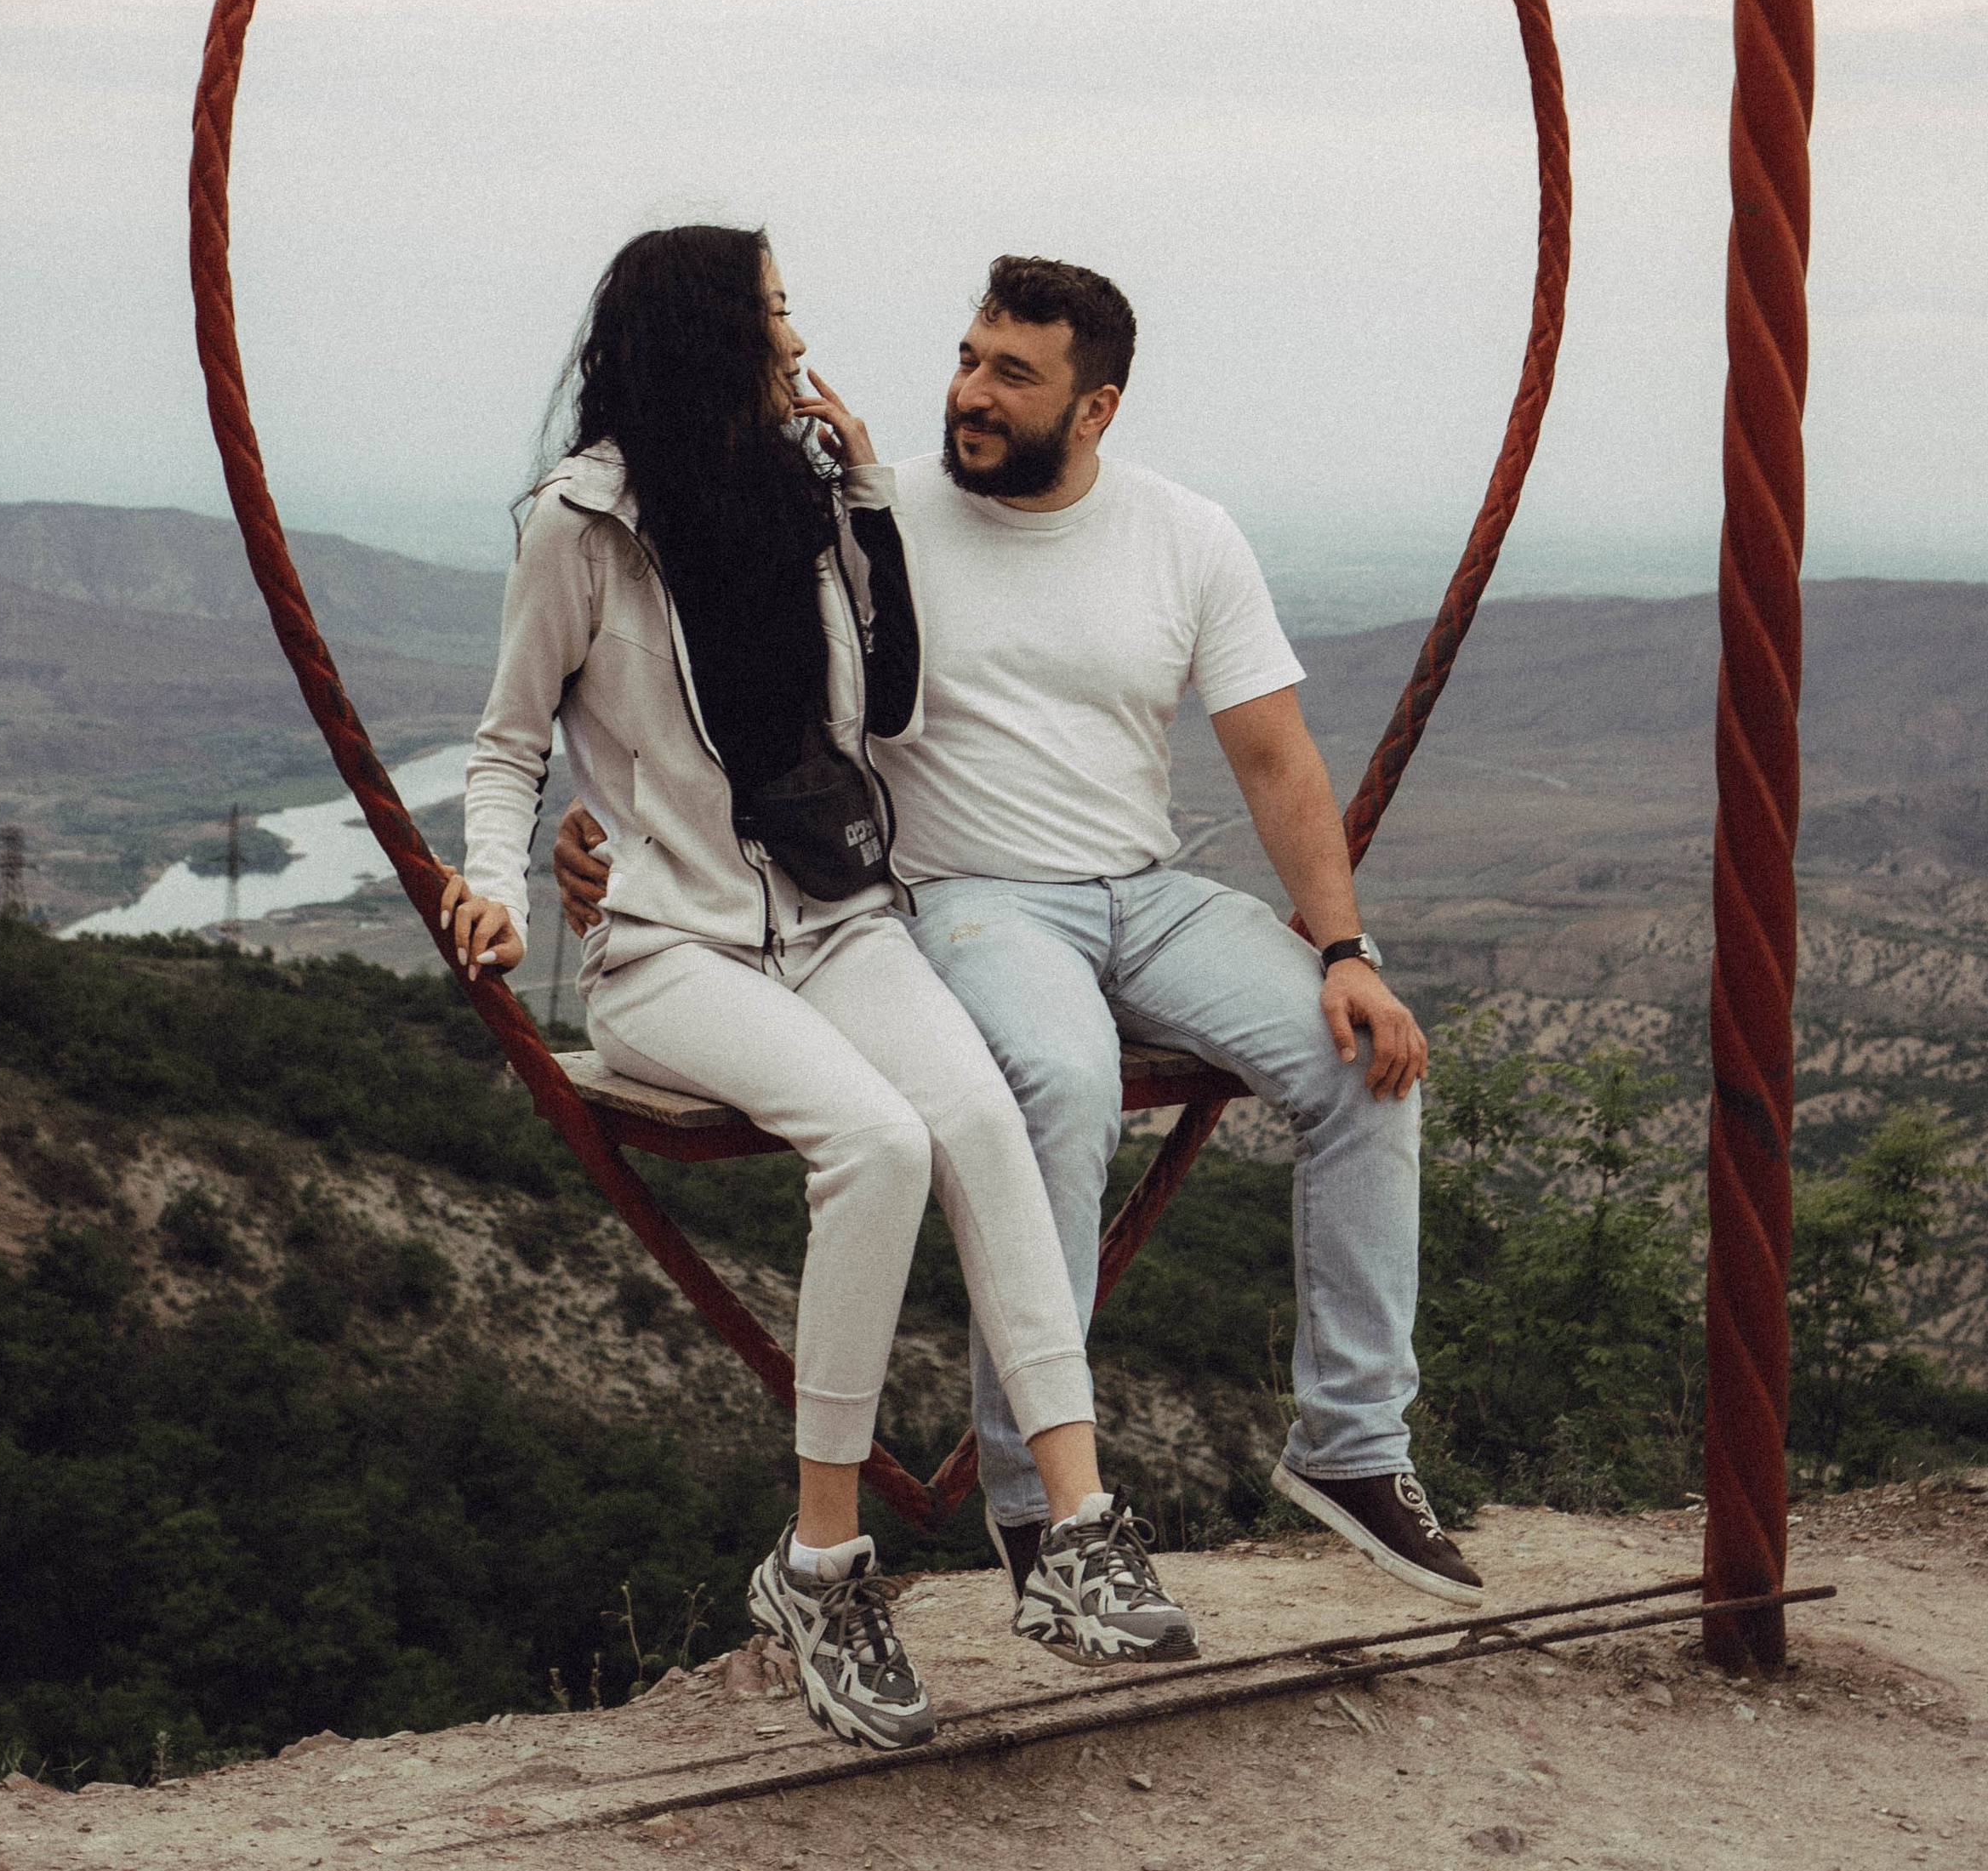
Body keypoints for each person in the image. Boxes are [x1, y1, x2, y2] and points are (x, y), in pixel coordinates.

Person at [555, 253, 1484, 1625]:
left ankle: (1352, 1448)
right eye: (969, 358)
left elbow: (1277, 758)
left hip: (1143, 891)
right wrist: (617, 835)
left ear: (1095, 408)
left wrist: (1346, 951)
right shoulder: (874, 512)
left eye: (1012, 375)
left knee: (1363, 1064)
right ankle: (1039, 1509)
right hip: (967, 896)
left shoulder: (1185, 536)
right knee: (1060, 1085)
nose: (969, 395)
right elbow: (709, 682)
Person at [441, 226, 1198, 1756]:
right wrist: (494, 883)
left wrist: (862, 501)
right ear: (707, 334)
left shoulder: (797, 497)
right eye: (774, 313)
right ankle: (825, 1571)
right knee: (880, 1145)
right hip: (671, 952)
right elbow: (510, 742)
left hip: (839, 920)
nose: (798, 339)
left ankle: (1074, 1535)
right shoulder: (579, 528)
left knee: (980, 1122)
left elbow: (887, 709)